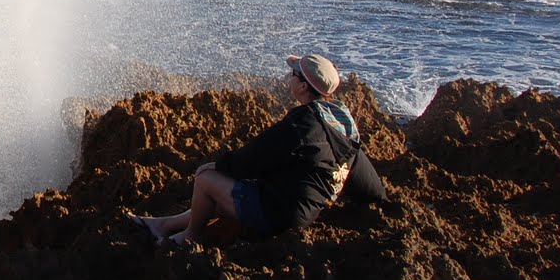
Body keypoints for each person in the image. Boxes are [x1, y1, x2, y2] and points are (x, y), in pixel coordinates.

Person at [129, 53, 388, 246]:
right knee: (221, 197)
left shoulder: (302, 125)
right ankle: (162, 225)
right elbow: (361, 169)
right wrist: (379, 200)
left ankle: (187, 239)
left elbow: (253, 158)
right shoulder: (341, 122)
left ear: (303, 87)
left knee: (206, 180)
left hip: (280, 215)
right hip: (302, 209)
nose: (290, 77)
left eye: (294, 75)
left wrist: (218, 166)